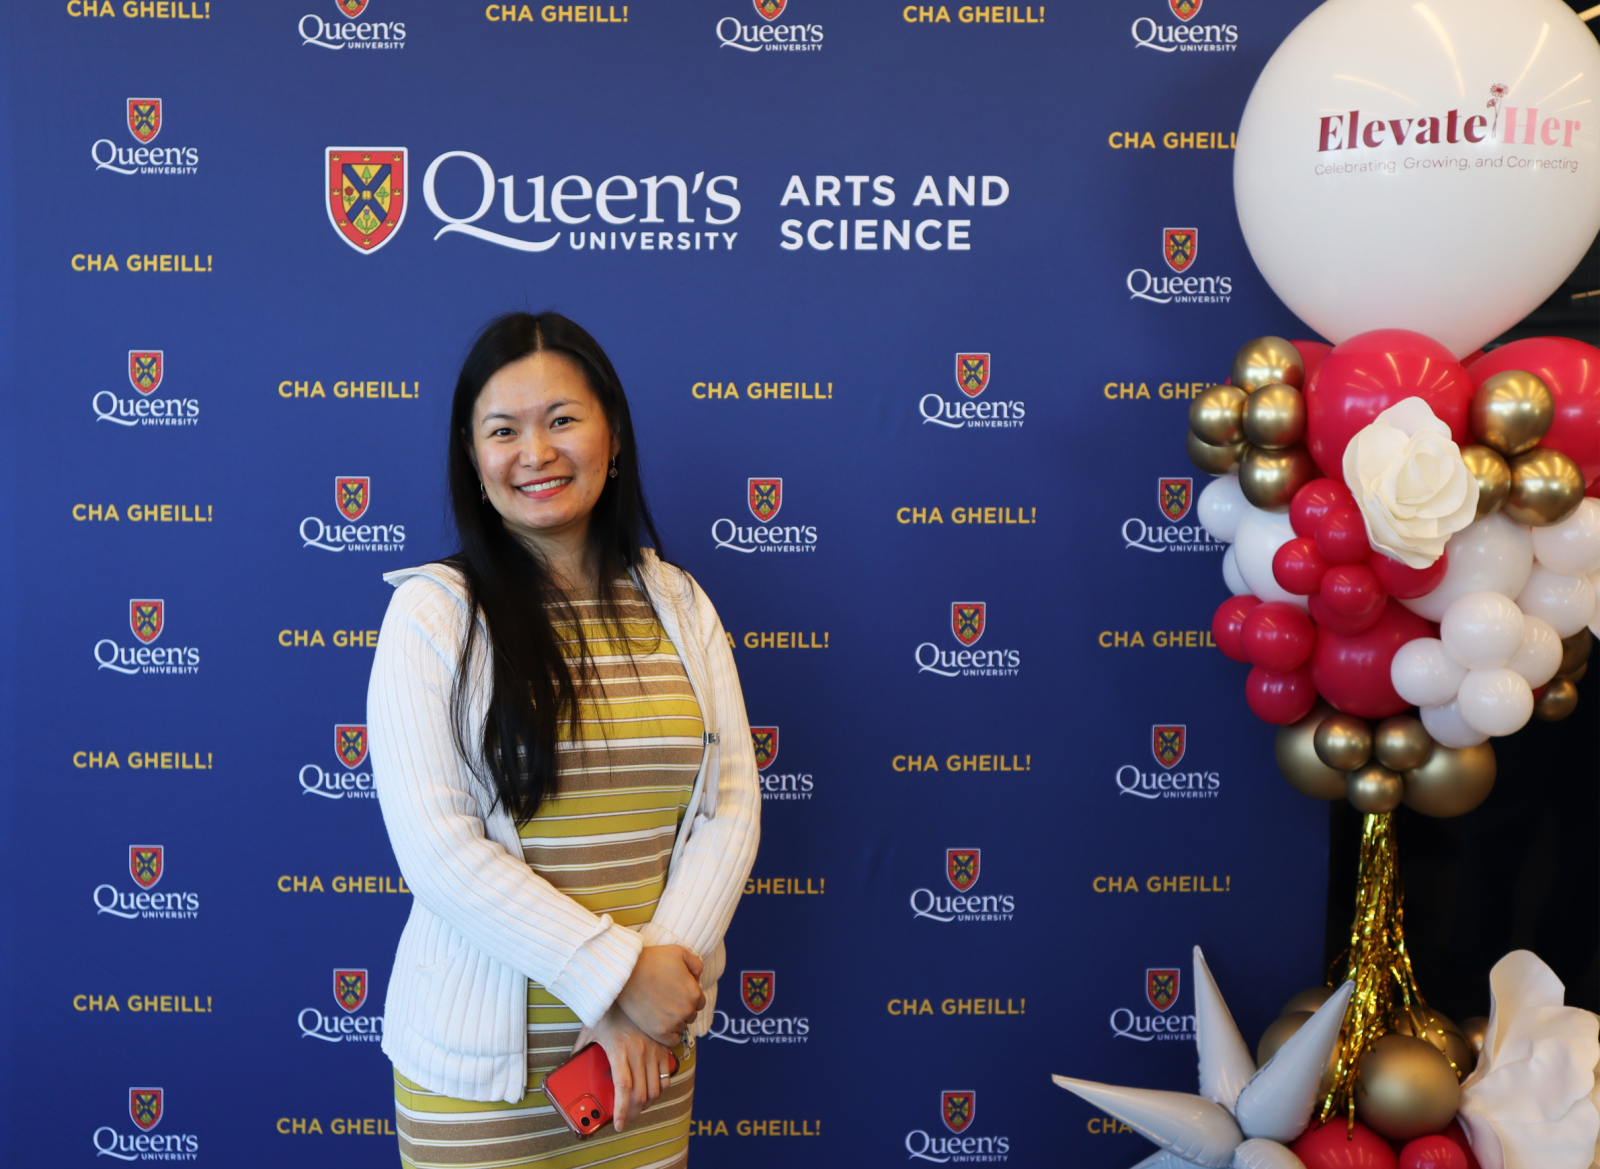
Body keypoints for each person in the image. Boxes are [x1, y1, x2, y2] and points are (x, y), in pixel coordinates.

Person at [368, 311, 760, 1168]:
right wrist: (618, 979)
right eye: (502, 430)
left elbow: (730, 810)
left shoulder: (679, 602)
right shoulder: (433, 613)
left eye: (562, 420)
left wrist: (657, 987)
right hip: (486, 1085)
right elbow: (438, 850)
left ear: (611, 436)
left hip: (643, 1066)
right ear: (473, 459)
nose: (534, 452)